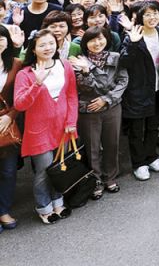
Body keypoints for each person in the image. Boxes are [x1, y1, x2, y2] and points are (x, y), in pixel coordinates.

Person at [14, 29, 78, 224]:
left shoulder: (64, 65)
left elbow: (71, 96)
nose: (47, 47)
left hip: (64, 127)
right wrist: (37, 84)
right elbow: (19, 104)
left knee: (60, 166)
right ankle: (43, 206)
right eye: (42, 45)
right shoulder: (25, 74)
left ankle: (58, 200)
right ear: (33, 49)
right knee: (43, 171)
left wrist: (71, 122)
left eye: (51, 43)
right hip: (39, 130)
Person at [70, 26, 127, 198]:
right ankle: (95, 180)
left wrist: (107, 99)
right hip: (89, 110)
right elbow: (87, 89)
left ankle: (110, 177)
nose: (97, 43)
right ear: (85, 43)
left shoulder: (116, 57)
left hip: (112, 107)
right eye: (92, 40)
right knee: (92, 147)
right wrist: (86, 71)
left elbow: (123, 80)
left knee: (112, 143)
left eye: (101, 38)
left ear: (107, 39)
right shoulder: (79, 62)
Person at [119, 1, 159, 180]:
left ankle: (151, 157)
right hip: (137, 91)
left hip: (157, 88)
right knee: (137, 130)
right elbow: (124, 62)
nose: (152, 17)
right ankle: (138, 163)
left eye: (155, 13)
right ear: (140, 17)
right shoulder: (133, 36)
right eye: (147, 14)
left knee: (153, 127)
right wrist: (132, 43)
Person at [0, 25, 23, 230]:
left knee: (8, 171)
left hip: (7, 124)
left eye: (1, 38)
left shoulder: (16, 64)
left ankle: (4, 211)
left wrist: (11, 116)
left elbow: (22, 94)